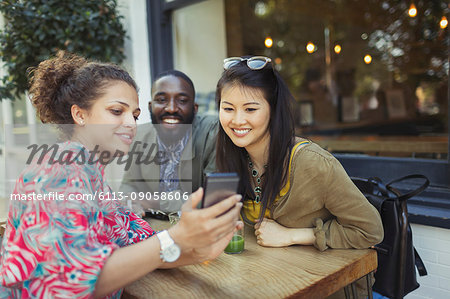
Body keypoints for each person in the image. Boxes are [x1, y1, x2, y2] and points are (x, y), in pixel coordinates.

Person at [0, 52, 242, 298]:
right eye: (117, 111)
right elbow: (73, 282)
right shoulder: (57, 170)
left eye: (135, 115)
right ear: (80, 114)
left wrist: (199, 247)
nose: (131, 124)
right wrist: (178, 236)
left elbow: (143, 244)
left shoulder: (93, 179)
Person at [215, 55, 383, 251]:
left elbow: (371, 231)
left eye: (250, 109)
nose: (237, 120)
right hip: (266, 274)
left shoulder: (313, 163)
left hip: (323, 277)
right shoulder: (232, 155)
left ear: (274, 110)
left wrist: (292, 235)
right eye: (228, 108)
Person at [119, 70, 217, 213]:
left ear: (194, 109)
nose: (171, 108)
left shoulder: (212, 134)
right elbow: (128, 185)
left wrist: (152, 202)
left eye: (182, 101)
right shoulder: (138, 135)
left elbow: (214, 197)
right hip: (155, 226)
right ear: (150, 106)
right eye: (162, 100)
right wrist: (129, 202)